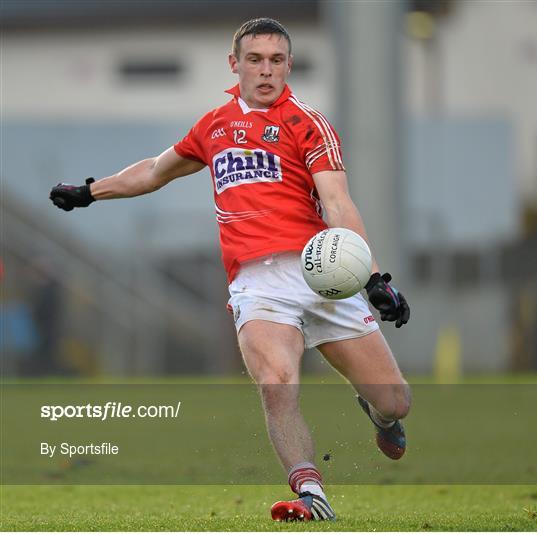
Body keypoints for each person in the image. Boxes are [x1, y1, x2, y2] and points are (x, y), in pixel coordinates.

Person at [50, 18, 411, 522]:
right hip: (256, 281)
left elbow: (337, 202)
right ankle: (311, 494)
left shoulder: (307, 123)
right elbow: (155, 170)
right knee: (276, 383)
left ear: (288, 65)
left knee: (396, 402)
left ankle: (379, 414)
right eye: (256, 59)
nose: (267, 71)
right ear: (234, 64)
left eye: (277, 60)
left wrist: (373, 278)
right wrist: (91, 191)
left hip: (321, 272)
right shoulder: (214, 126)